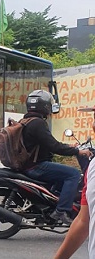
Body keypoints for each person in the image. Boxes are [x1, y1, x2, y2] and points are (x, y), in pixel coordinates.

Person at [22, 90, 91, 225]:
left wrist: (70, 146)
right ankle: (61, 211)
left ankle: (53, 202)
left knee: (63, 175)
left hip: (29, 164)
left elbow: (48, 144)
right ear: (46, 106)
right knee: (73, 174)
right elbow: (54, 146)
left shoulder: (27, 121)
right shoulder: (38, 123)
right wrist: (77, 151)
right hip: (37, 166)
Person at [54, 108, 95, 259]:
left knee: (72, 174)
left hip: (37, 167)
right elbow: (84, 220)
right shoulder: (93, 167)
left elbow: (54, 146)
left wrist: (74, 151)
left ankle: (61, 208)